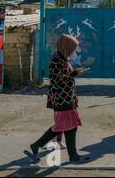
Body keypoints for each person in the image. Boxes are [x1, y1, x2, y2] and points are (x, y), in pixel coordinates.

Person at [26, 34, 88, 163]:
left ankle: (72, 155)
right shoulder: (56, 60)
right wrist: (75, 73)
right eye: (72, 48)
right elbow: (59, 79)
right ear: (66, 46)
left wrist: (74, 92)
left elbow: (66, 76)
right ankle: (38, 145)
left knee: (69, 126)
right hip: (62, 98)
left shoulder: (63, 58)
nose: (73, 51)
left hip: (67, 97)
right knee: (65, 126)